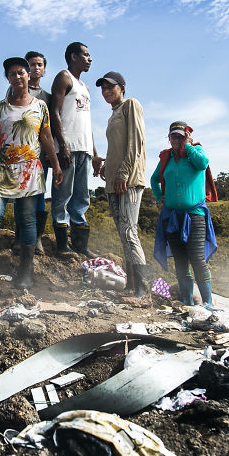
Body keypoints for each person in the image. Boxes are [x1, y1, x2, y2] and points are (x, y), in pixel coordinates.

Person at [0, 57, 63, 289]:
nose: (17, 77)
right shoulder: (0, 107)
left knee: (26, 219)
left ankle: (25, 271)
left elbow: (45, 137)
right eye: (12, 74)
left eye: (21, 73)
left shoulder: (40, 106)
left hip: (29, 172)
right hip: (1, 169)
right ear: (8, 79)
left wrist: (56, 165)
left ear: (28, 75)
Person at [91, 71, 149, 297]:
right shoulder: (113, 114)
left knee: (129, 230)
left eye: (111, 87)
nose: (106, 92)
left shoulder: (130, 105)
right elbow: (117, 146)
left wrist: (123, 173)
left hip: (129, 181)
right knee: (123, 233)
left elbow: (136, 143)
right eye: (103, 89)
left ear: (122, 87)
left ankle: (143, 290)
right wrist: (108, 168)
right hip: (113, 182)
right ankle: (132, 286)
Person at [151, 121, 218, 306]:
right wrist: (160, 196)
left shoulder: (196, 152)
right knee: (180, 261)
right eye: (173, 136)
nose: (176, 139)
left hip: (194, 215)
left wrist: (188, 146)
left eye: (180, 136)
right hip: (171, 216)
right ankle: (187, 303)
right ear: (169, 137)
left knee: (197, 258)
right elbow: (154, 179)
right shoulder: (166, 158)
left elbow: (203, 163)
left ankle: (209, 303)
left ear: (187, 136)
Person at [49, 42, 99, 257]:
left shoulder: (85, 87)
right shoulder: (64, 77)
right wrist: (63, 146)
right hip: (67, 148)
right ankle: (62, 246)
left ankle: (80, 245)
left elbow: (87, 122)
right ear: (73, 56)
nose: (90, 59)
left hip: (85, 150)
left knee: (82, 197)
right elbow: (54, 112)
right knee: (63, 196)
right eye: (86, 55)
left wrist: (95, 153)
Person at [8, 51, 51, 255]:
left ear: (44, 69)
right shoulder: (13, 91)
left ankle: (37, 239)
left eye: (39, 64)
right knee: (20, 195)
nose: (36, 68)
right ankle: (19, 237)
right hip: (19, 155)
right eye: (32, 64)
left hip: (40, 156)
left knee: (39, 195)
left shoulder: (46, 98)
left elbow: (49, 130)